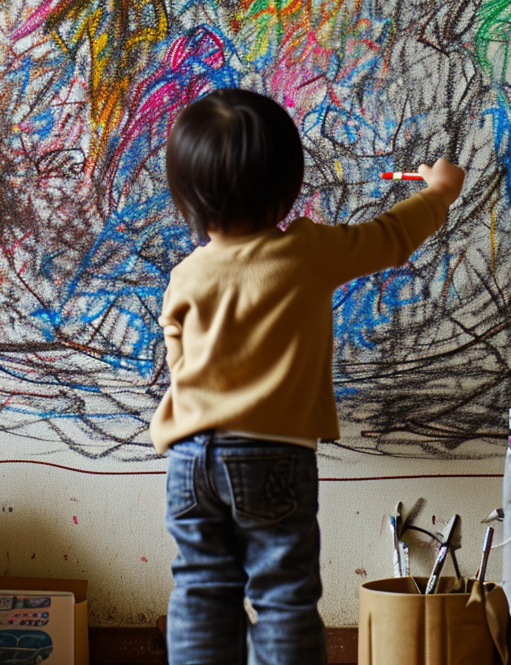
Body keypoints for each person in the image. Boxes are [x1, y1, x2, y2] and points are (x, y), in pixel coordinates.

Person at [152, 88, 465, 665]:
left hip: (189, 457)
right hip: (272, 455)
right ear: (287, 186)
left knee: (200, 589)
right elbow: (391, 237)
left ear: (186, 196)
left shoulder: (185, 276)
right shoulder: (307, 252)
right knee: (283, 596)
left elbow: (180, 364)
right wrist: (440, 190)